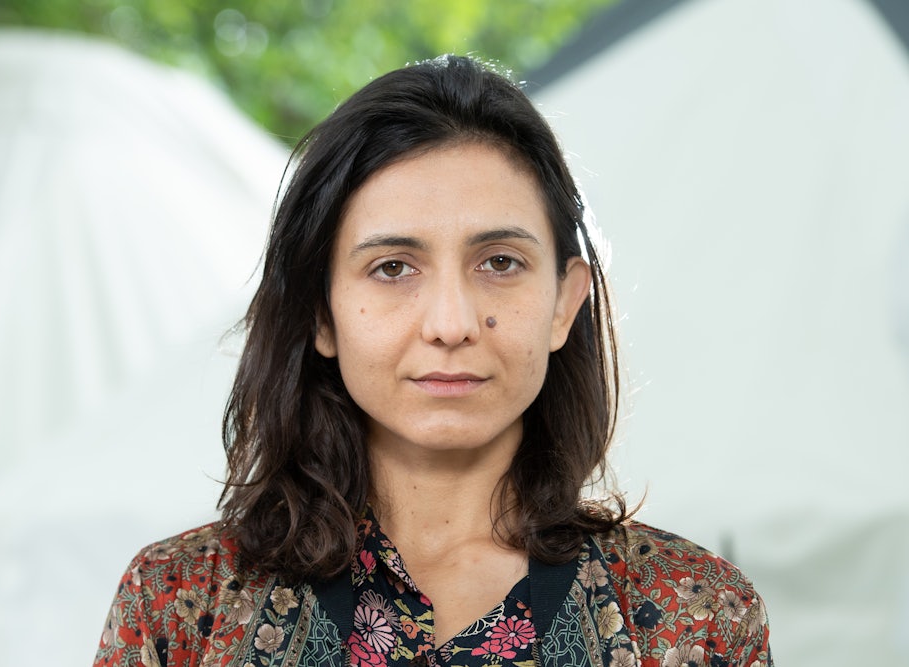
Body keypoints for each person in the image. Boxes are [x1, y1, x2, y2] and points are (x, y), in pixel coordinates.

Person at [93, 55, 772, 667]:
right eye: (393, 267)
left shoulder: (697, 616)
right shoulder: (179, 607)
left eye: (499, 262)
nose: (451, 324)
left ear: (564, 304)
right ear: (321, 312)